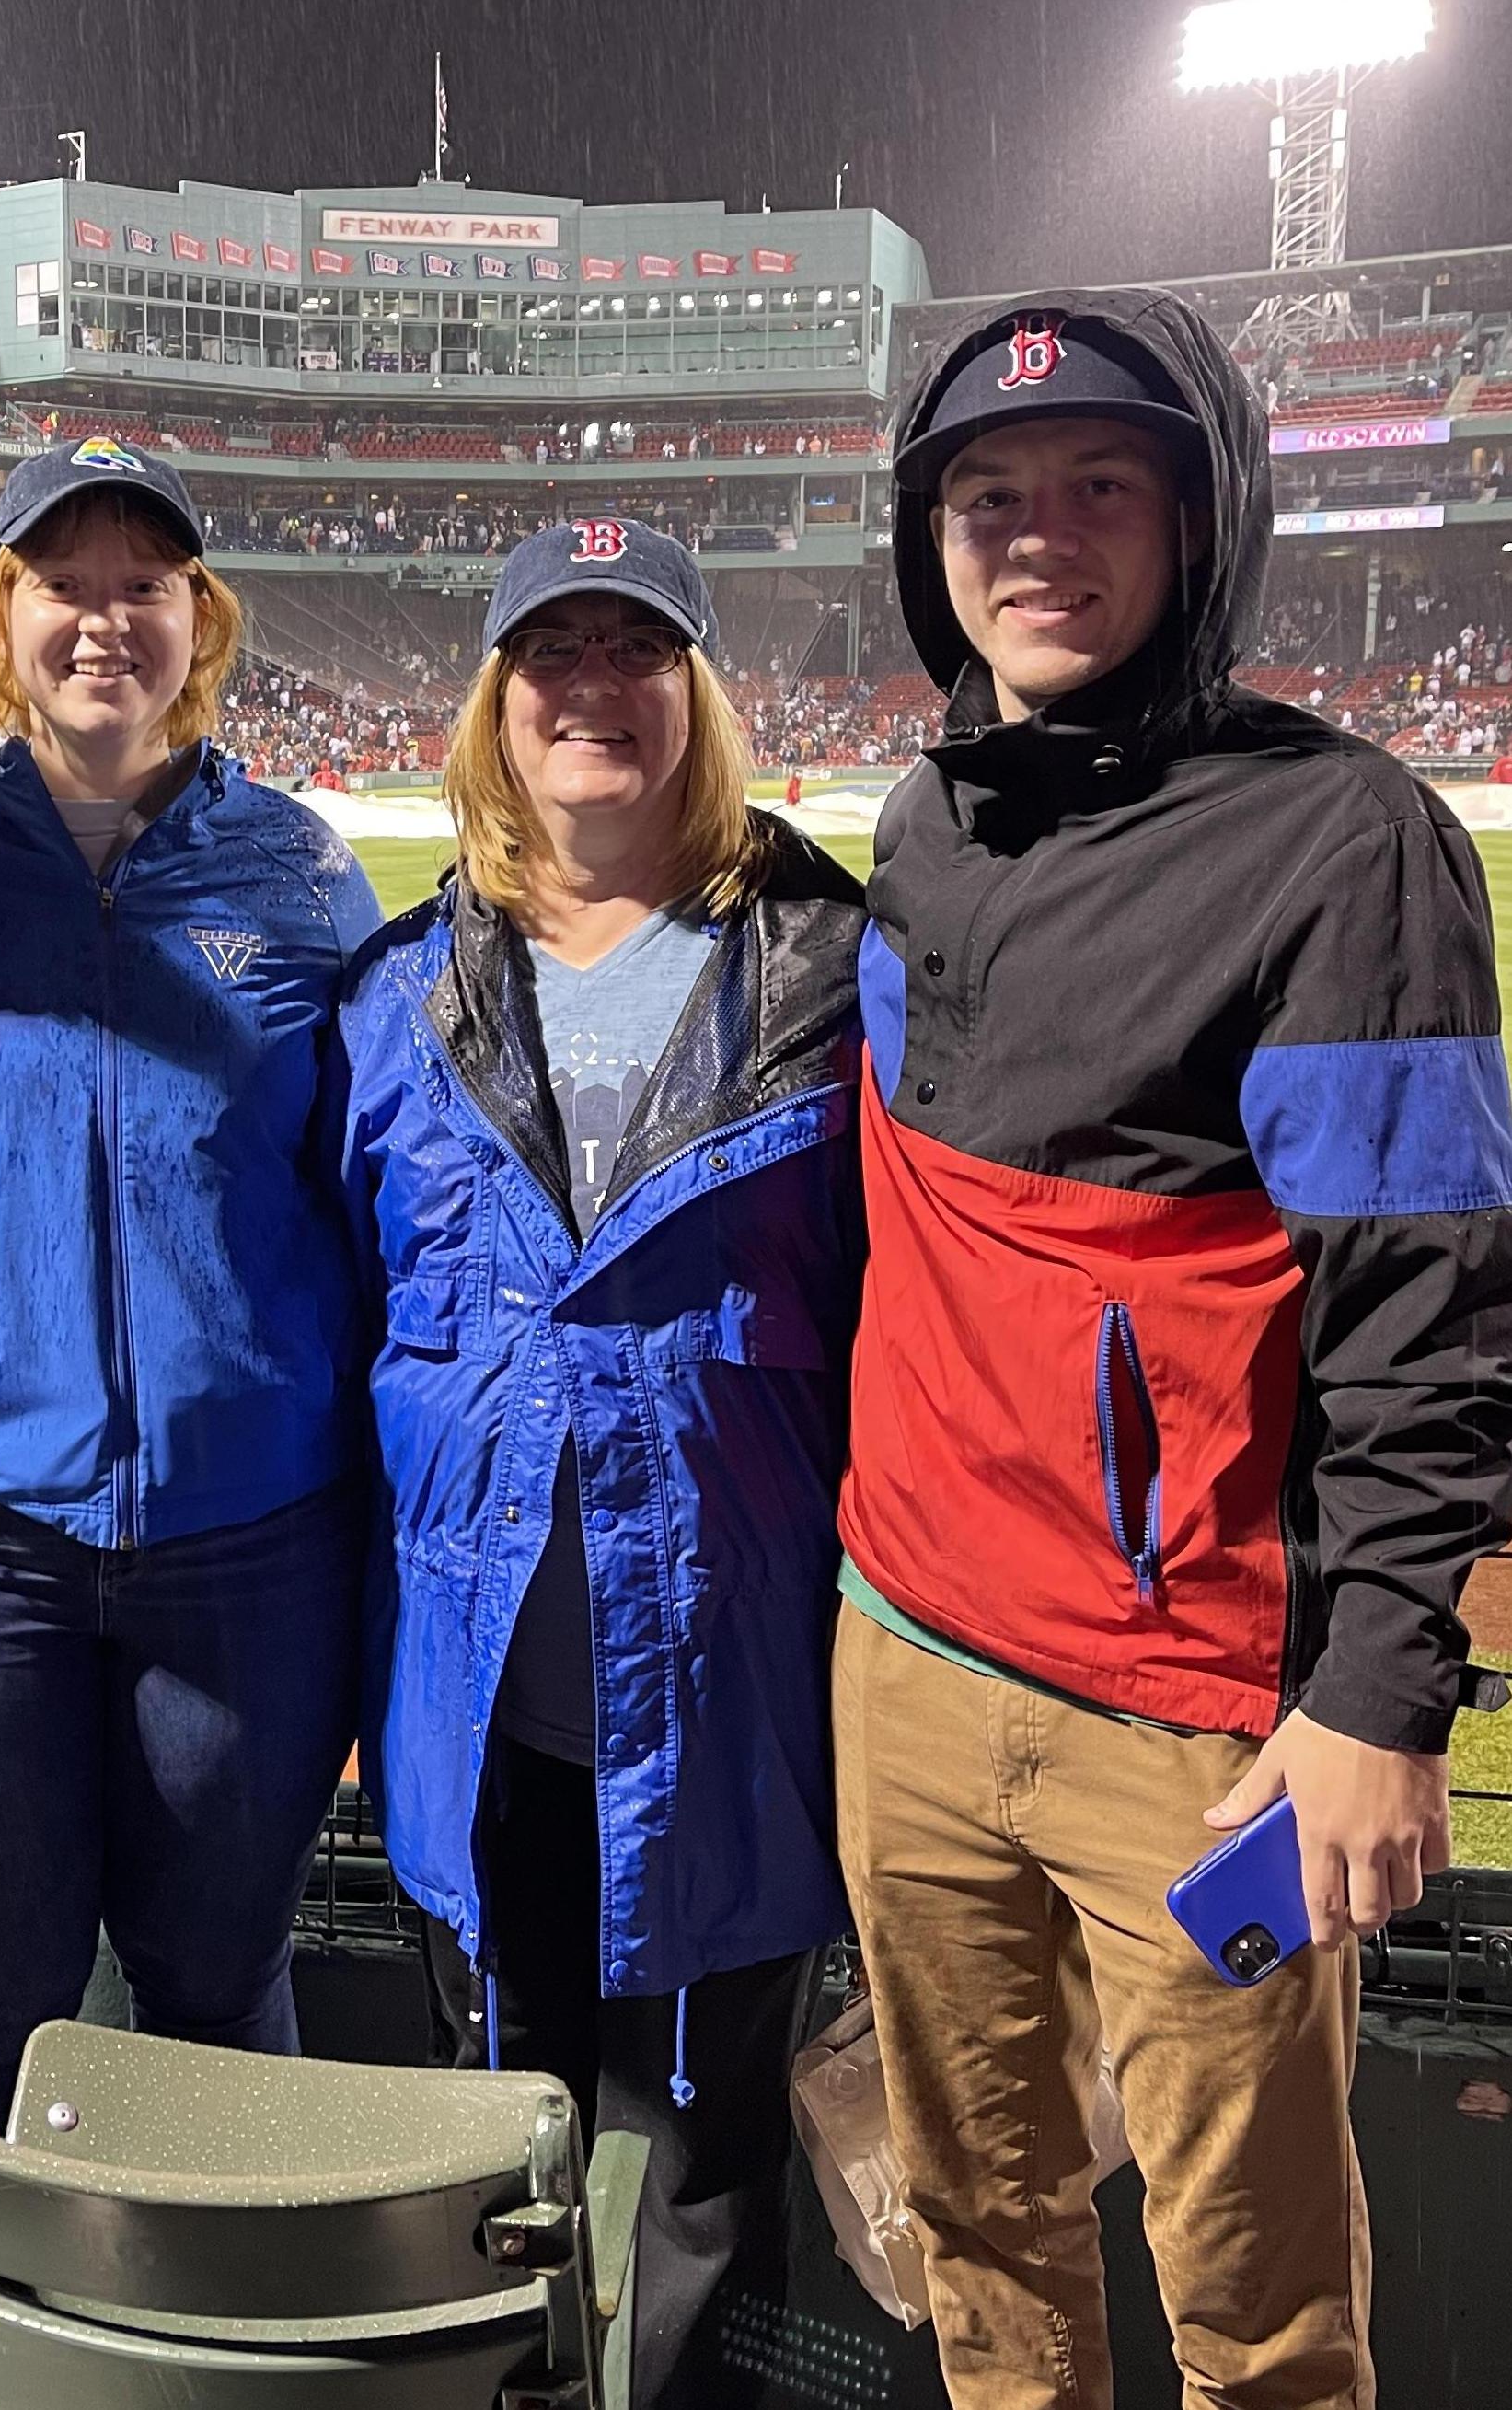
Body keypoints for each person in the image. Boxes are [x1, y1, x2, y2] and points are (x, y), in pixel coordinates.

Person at [839, 291, 1512, 2406]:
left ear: (1205, 523)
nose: (1038, 535)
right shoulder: (926, 822)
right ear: (926, 541)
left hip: (1199, 1742)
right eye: (988, 495)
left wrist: (1385, 1691)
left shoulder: (1346, 846)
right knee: (978, 2245)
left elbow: (1431, 1297)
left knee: (1262, 2309)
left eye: (1102, 486)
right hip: (908, 1677)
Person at [337, 521, 864, 2407]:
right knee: (495, 2180)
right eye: (544, 649)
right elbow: (339, 1332)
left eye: (633, 646)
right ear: (495, 705)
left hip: (734, 1712)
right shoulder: (387, 999)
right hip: (478, 1717)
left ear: (694, 695)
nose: (587, 685)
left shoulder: (835, 975)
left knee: (713, 2197)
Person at [0, 437, 382, 2132]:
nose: (105, 620)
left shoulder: (303, 878)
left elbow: (380, 1184)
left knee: (214, 1999)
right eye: (65, 583)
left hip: (249, 1544)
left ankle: (214, 2379)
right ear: (4, 618)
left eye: (146, 585)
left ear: (199, 620)